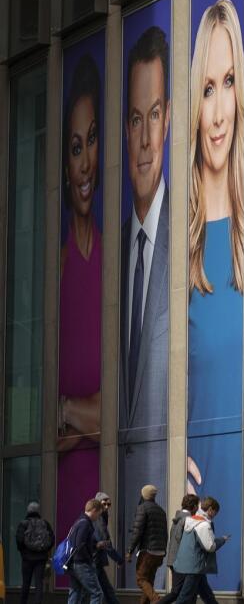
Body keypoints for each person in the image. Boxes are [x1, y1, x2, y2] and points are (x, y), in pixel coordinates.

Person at [184, 0, 244, 593]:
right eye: (207, 88)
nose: (220, 109)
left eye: (230, 83)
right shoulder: (181, 243)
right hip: (197, 483)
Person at [119, 24, 172, 565]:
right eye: (135, 119)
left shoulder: (190, 236)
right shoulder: (108, 253)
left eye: (154, 115)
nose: (144, 138)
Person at [59, 51, 103, 454]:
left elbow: (114, 415)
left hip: (108, 479)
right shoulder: (57, 267)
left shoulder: (116, 259)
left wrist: (66, 410)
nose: (86, 162)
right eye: (75, 148)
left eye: (91, 140)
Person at [172, 497, 228, 604]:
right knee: (184, 598)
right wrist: (222, 540)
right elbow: (210, 546)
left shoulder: (189, 520)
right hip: (195, 566)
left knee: (206, 594)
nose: (215, 515)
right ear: (210, 509)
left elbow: (179, 538)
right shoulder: (204, 525)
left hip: (186, 563)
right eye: (215, 512)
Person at [159, 495, 213, 604]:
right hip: (182, 562)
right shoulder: (187, 520)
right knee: (178, 593)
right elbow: (182, 539)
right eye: (197, 507)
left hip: (175, 559)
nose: (198, 509)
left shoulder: (178, 518)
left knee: (191, 593)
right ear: (193, 507)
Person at [126, 485, 167, 604]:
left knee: (141, 579)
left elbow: (137, 531)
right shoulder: (161, 511)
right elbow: (165, 533)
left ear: (143, 494)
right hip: (159, 551)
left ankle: (156, 599)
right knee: (149, 582)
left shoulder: (142, 508)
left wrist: (130, 551)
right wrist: (163, 550)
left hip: (148, 551)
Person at [67, 500, 107, 604]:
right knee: (97, 593)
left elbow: (79, 542)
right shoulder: (85, 523)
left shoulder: (79, 521)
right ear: (94, 510)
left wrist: (95, 545)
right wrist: (89, 560)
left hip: (74, 562)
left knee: (76, 592)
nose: (98, 517)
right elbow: (79, 544)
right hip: (82, 563)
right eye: (99, 514)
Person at [15, 502, 53, 604]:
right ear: (38, 511)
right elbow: (51, 540)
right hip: (41, 559)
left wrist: (23, 552)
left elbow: (19, 540)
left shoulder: (23, 524)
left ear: (28, 511)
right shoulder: (45, 523)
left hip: (27, 558)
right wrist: (43, 550)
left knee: (26, 583)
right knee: (39, 584)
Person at [91, 493, 119, 604]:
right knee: (99, 591)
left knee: (105, 589)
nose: (107, 507)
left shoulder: (103, 516)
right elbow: (104, 540)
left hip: (96, 558)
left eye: (109, 504)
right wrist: (118, 558)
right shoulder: (98, 518)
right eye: (104, 504)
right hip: (94, 558)